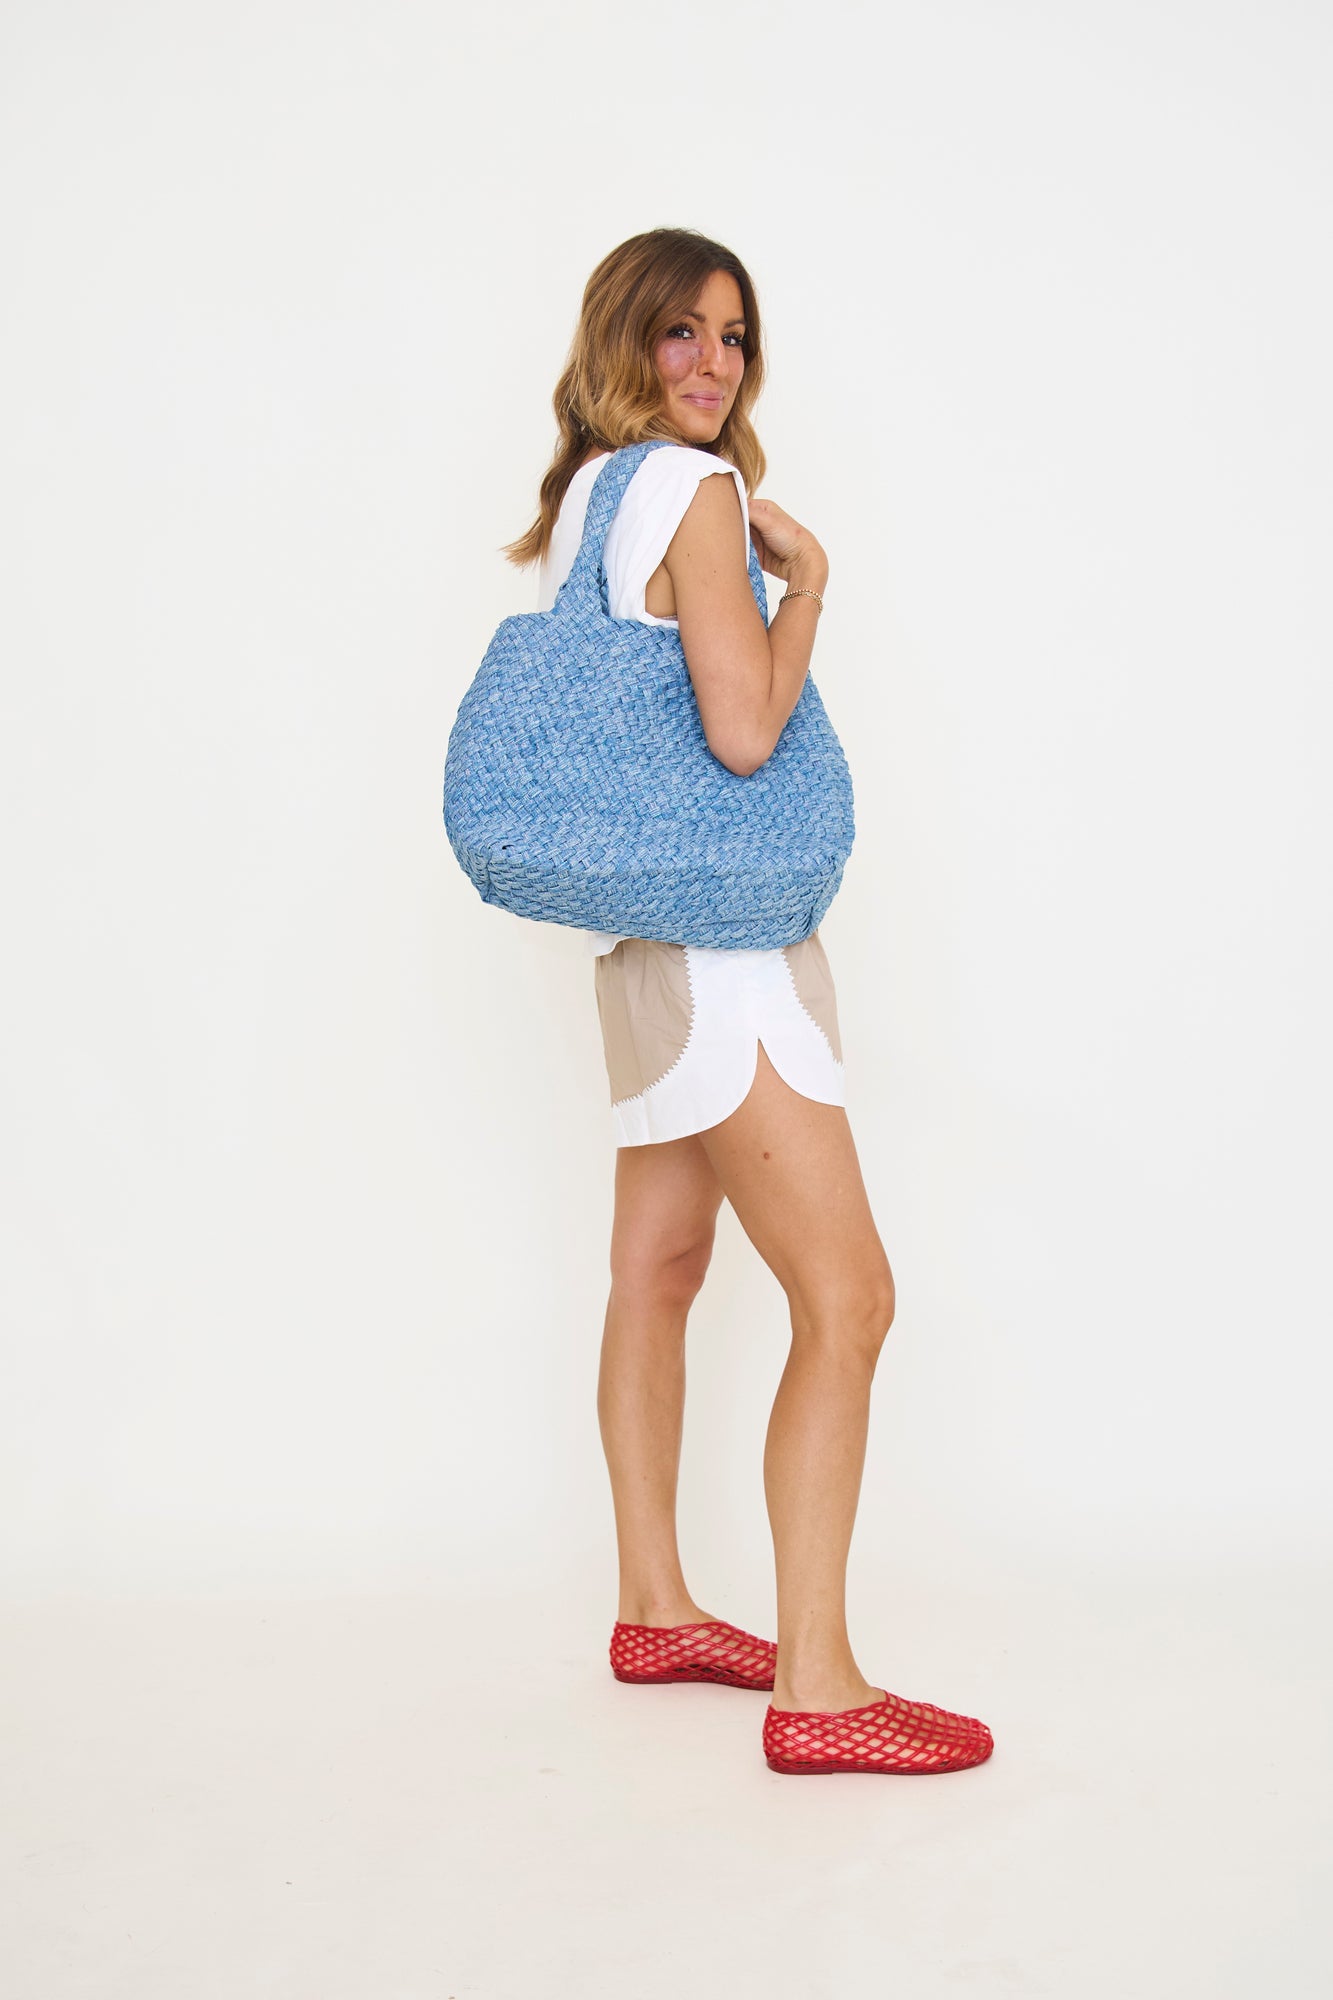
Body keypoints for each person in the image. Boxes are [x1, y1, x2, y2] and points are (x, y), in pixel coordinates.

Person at [504, 227, 993, 1777]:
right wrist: (811, 591)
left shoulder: (588, 496)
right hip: (724, 946)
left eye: (733, 335)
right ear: (624, 341)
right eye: (680, 332)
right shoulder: (694, 491)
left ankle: (654, 1607)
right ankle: (820, 1690)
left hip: (640, 952)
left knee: (655, 1270)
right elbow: (739, 732)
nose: (713, 362)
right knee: (850, 1299)